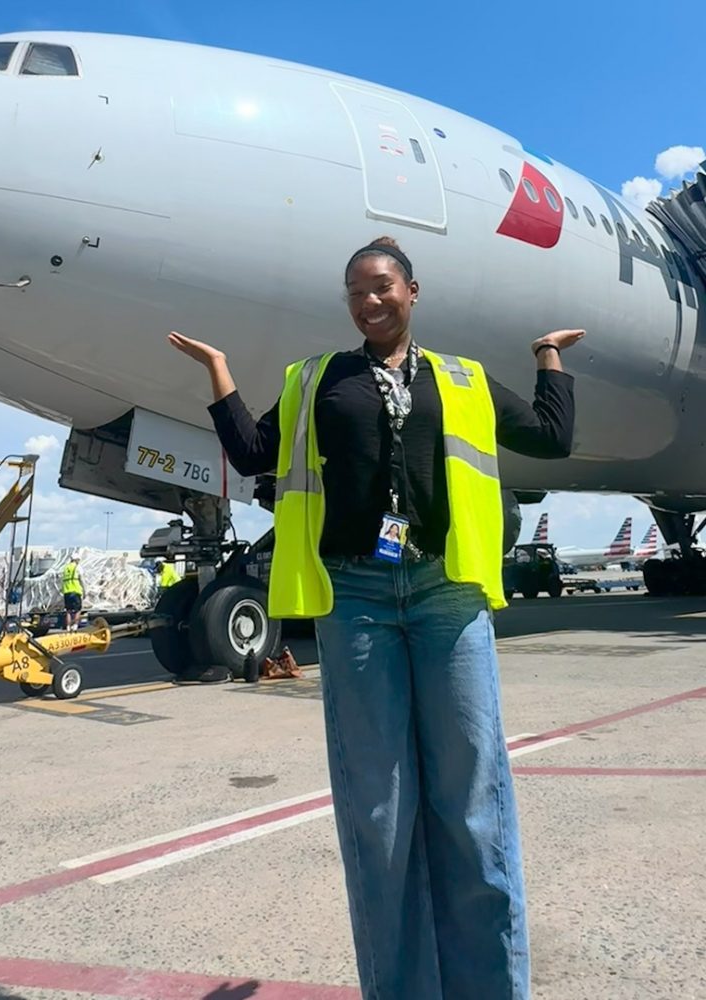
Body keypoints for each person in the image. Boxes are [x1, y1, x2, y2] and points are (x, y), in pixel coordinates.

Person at [169, 235, 581, 1000]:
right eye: (356, 289)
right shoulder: (317, 378)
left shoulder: (462, 378)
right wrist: (219, 372)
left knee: (471, 800)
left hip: (444, 593)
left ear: (412, 292)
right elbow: (256, 451)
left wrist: (548, 358)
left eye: (383, 284)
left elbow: (553, 439)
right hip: (354, 599)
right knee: (378, 811)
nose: (370, 299)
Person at [61, 552, 84, 632]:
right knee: (78, 609)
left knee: (68, 610)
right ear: (77, 560)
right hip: (76, 591)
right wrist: (84, 590)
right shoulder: (77, 567)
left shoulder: (65, 568)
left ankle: (68, 627)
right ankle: (75, 625)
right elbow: (81, 580)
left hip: (66, 591)